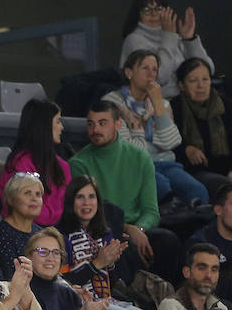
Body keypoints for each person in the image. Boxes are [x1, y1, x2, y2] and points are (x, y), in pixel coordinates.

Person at [71, 102, 178, 278]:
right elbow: (86, 213)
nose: (95, 129)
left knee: (167, 241)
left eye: (102, 123)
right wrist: (127, 229)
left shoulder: (140, 157)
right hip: (102, 231)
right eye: (91, 124)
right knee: (121, 248)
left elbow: (151, 211)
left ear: (118, 125)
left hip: (137, 229)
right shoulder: (78, 163)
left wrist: (140, 230)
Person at [104, 49, 207, 204]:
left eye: (154, 69)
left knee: (198, 191)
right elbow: (127, 148)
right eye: (145, 68)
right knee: (161, 187)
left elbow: (171, 142)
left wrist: (157, 103)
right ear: (129, 73)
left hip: (165, 163)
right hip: (133, 166)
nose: (151, 74)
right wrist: (153, 139)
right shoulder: (113, 102)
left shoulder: (162, 103)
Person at [119, 0, 212, 99]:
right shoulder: (134, 40)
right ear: (138, 14)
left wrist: (189, 40)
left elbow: (208, 70)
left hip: (184, 101)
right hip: (152, 105)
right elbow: (158, 78)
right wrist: (168, 37)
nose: (153, 14)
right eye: (147, 10)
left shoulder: (172, 37)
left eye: (158, 9)